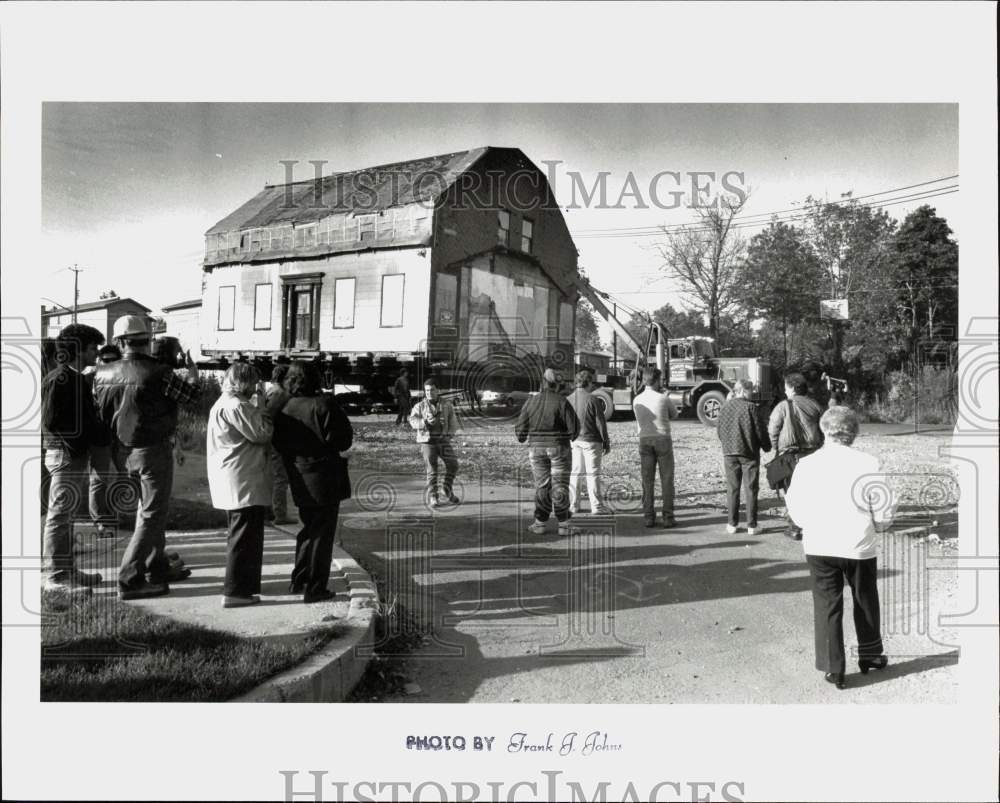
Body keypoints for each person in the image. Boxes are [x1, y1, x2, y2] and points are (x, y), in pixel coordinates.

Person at [93, 314, 201, 600]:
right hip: (152, 449)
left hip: (121, 449)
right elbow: (192, 397)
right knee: (152, 515)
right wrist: (192, 372)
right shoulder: (159, 372)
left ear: (119, 341)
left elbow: (100, 413)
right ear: (147, 339)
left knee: (148, 511)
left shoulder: (102, 374)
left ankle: (156, 566)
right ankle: (129, 578)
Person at [785, 406, 891, 690]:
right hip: (858, 543)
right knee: (865, 598)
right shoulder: (869, 463)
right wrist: (880, 524)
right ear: (853, 432)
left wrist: (809, 524)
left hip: (820, 543)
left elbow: (794, 505)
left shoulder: (807, 464)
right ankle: (870, 654)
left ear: (823, 429)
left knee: (827, 603)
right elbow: (882, 505)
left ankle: (834, 667)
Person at [272, 361, 354, 603]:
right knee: (322, 534)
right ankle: (316, 587)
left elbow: (277, 443)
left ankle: (298, 579)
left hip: (297, 473)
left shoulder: (284, 406)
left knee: (308, 529)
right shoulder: (325, 404)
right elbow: (343, 441)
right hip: (325, 476)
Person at [40, 324, 109, 594]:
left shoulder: (75, 378)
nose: (97, 352)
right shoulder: (60, 379)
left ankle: (68, 570)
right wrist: (75, 446)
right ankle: (56, 577)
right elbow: (50, 420)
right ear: (78, 350)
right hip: (65, 454)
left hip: (72, 454)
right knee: (58, 516)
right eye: (94, 347)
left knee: (66, 516)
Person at [207, 363, 274, 608]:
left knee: (242, 534)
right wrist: (263, 408)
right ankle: (235, 591)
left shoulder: (223, 402)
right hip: (242, 477)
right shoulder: (238, 405)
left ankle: (245, 587)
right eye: (254, 382)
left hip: (235, 475)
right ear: (245, 383)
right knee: (244, 537)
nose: (256, 387)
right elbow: (262, 433)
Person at [515, 368, 580, 536]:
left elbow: (520, 432)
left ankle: (540, 523)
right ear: (556, 384)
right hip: (559, 447)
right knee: (560, 485)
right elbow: (574, 430)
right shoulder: (562, 401)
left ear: (542, 383)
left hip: (536, 449)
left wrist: (526, 436)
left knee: (542, 485)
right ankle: (564, 525)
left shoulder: (531, 401)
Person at [767, 372, 825, 540]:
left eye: (786, 388)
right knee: (811, 491)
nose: (785, 391)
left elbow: (773, 429)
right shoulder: (815, 405)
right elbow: (825, 428)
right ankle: (812, 526)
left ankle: (794, 527)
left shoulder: (782, 406)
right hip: (813, 453)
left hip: (790, 456)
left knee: (791, 492)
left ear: (792, 388)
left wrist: (775, 446)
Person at [716, 378, 772, 535]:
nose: (752, 394)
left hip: (729, 453)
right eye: (751, 391)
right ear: (743, 391)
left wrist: (727, 444)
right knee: (751, 488)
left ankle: (732, 524)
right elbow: (760, 431)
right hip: (749, 453)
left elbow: (719, 430)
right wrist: (767, 446)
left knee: (732, 488)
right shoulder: (751, 407)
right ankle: (752, 525)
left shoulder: (725, 407)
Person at [84, 344, 126, 539]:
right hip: (100, 434)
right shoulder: (89, 378)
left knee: (127, 475)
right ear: (100, 360)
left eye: (113, 360)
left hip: (121, 433)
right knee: (99, 479)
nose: (109, 364)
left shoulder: (125, 377)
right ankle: (101, 521)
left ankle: (117, 515)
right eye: (105, 360)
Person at [632, 367, 678, 528]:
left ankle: (649, 517)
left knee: (647, 480)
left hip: (644, 439)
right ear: (657, 380)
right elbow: (674, 415)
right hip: (663, 438)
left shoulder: (636, 399)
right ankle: (668, 517)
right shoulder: (663, 398)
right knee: (666, 479)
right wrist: (667, 396)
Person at [408, 378, 460, 508]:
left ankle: (446, 490)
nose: (429, 393)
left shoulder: (447, 405)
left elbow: (453, 421)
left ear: (438, 390)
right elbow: (412, 420)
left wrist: (449, 436)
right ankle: (433, 497)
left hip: (442, 441)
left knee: (453, 465)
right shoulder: (419, 406)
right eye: (427, 390)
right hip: (428, 442)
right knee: (432, 471)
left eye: (432, 390)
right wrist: (423, 422)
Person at [566, 369, 611, 515]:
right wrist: (606, 441)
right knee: (593, 474)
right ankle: (596, 507)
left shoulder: (569, 398)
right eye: (592, 383)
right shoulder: (593, 399)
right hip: (591, 441)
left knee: (576, 472)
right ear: (588, 382)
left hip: (575, 440)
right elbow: (600, 422)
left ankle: (573, 505)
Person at [264, 362, 294, 524]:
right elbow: (268, 416)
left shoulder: (271, 390)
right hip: (276, 439)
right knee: (280, 478)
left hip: (271, 439)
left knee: (272, 476)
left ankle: (270, 511)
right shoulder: (280, 394)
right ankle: (280, 514)